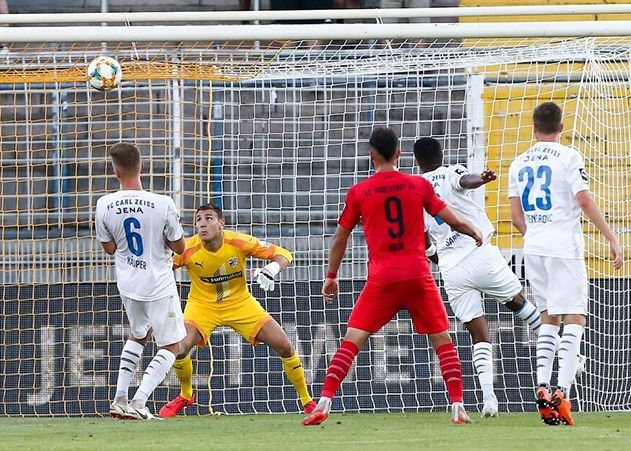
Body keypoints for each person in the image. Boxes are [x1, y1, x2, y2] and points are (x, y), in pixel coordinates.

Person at [303, 127, 483, 427]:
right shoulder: (418, 185)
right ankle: (458, 406)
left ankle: (324, 402)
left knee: (351, 341)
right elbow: (448, 217)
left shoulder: (359, 192)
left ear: (371, 155)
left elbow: (340, 238)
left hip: (382, 280)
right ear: (399, 153)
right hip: (417, 275)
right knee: (443, 341)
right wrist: (472, 230)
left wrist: (331, 275)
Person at [508, 101, 623, 426]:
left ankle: (542, 386)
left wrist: (539, 235)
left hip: (534, 246)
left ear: (533, 127)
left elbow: (516, 217)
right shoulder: (569, 156)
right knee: (573, 316)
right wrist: (612, 239)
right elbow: (583, 199)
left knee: (548, 317)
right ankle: (562, 392)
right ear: (561, 127)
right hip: (563, 246)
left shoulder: (518, 163)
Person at [414, 137, 543, 418]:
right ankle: (564, 350)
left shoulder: (415, 189)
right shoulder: (450, 172)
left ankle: (488, 399)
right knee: (520, 305)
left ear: (417, 161)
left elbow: (423, 242)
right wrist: (481, 178)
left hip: (452, 269)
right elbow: (466, 181)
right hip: (479, 252)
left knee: (477, 333)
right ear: (441, 154)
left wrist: (440, 259)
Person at [159, 204, 315, 417]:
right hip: (202, 306)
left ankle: (307, 401)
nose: (202, 224)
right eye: (198, 220)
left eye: (208, 218)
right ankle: (186, 395)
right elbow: (161, 270)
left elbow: (284, 254)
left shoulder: (238, 242)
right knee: (180, 348)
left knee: (284, 345)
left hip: (240, 303)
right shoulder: (187, 249)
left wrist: (272, 268)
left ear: (221, 223)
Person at [95, 142, 187, 420]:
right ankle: (138, 402)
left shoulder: (104, 204)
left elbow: (109, 248)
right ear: (141, 166)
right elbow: (180, 247)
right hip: (158, 282)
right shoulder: (163, 203)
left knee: (139, 334)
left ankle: (119, 399)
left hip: (128, 283)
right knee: (171, 346)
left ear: (115, 171)